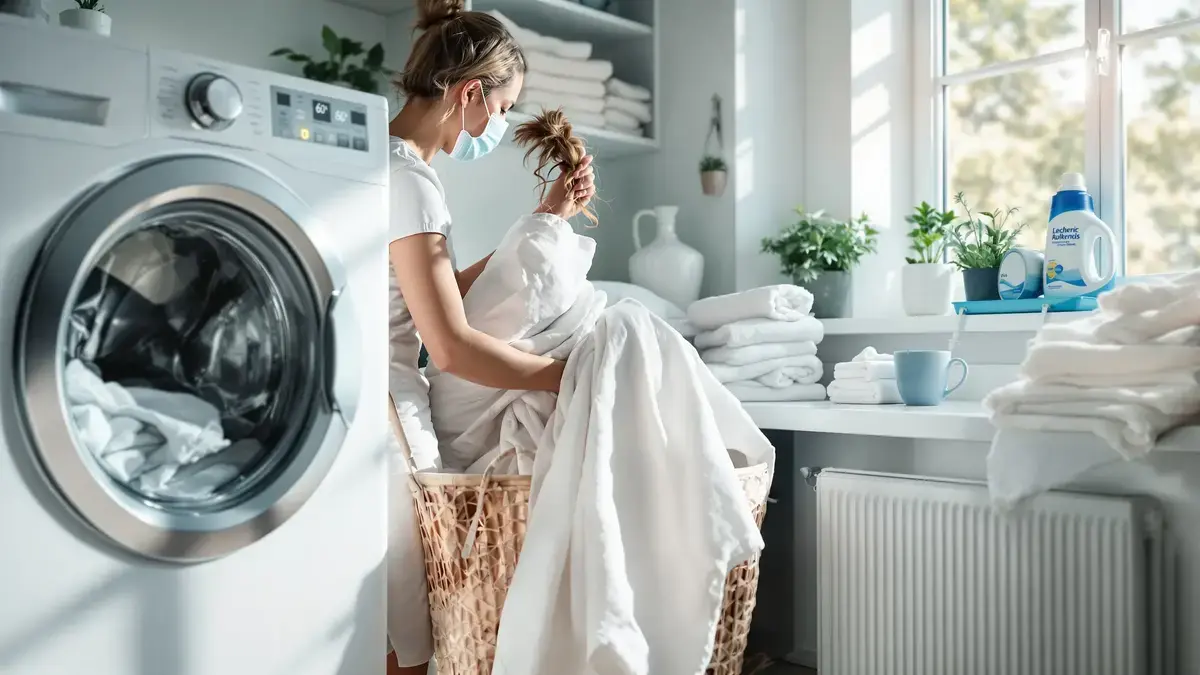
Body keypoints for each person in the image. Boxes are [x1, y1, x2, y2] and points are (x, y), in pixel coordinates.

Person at [384, 1, 596, 673]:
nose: (498, 127)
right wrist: (559, 374)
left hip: (363, 402)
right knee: (412, 631)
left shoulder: (377, 160)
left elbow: (430, 290)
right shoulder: (410, 181)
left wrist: (539, 220)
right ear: (469, 92)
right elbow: (449, 346)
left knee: (387, 625)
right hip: (387, 417)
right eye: (502, 109)